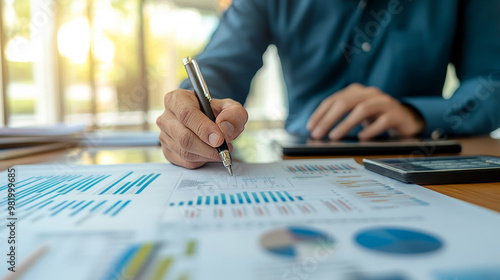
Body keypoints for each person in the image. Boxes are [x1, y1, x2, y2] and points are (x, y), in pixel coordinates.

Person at [156, 0, 500, 169]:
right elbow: (217, 70)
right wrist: (192, 112)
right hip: (298, 166)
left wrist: (418, 113)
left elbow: (492, 80)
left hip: (427, 162)